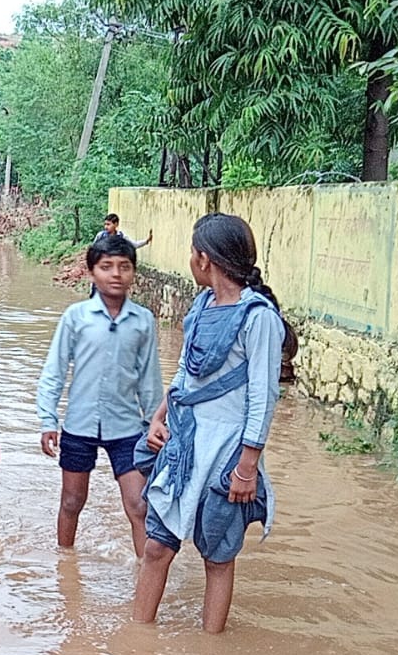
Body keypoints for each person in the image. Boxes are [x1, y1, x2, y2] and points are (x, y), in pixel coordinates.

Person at [134, 213, 289, 633]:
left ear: (205, 260)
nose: (190, 259)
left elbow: (263, 396)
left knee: (218, 558)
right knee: (155, 549)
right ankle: (138, 635)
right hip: (185, 444)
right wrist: (158, 418)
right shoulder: (201, 307)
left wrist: (246, 467)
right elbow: (186, 373)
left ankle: (211, 651)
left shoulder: (259, 319)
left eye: (192, 251)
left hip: (228, 454)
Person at [37, 234, 162, 555]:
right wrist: (48, 420)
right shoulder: (76, 318)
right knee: (72, 501)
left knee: (138, 505)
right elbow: (55, 370)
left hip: (127, 429)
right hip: (79, 426)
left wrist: (155, 423)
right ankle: (64, 565)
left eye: (124, 266)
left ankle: (145, 574)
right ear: (92, 272)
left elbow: (149, 379)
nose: (116, 274)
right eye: (106, 267)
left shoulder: (143, 321)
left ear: (134, 273)